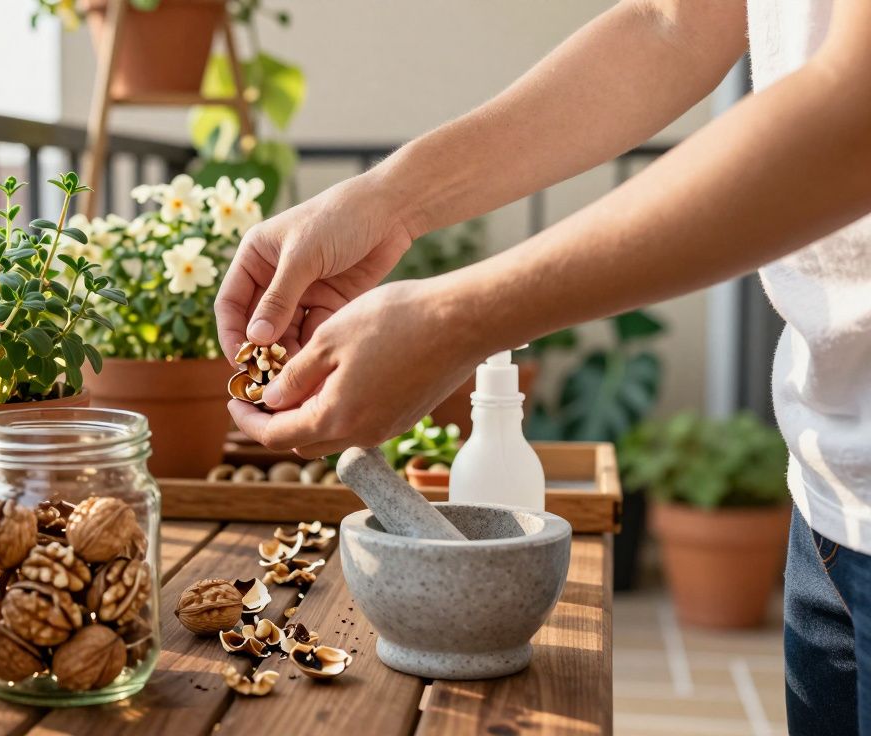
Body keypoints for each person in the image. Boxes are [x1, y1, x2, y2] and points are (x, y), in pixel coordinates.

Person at [213, 1, 871, 732]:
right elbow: (674, 23)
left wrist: (453, 321)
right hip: (830, 493)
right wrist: (386, 202)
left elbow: (854, 115)